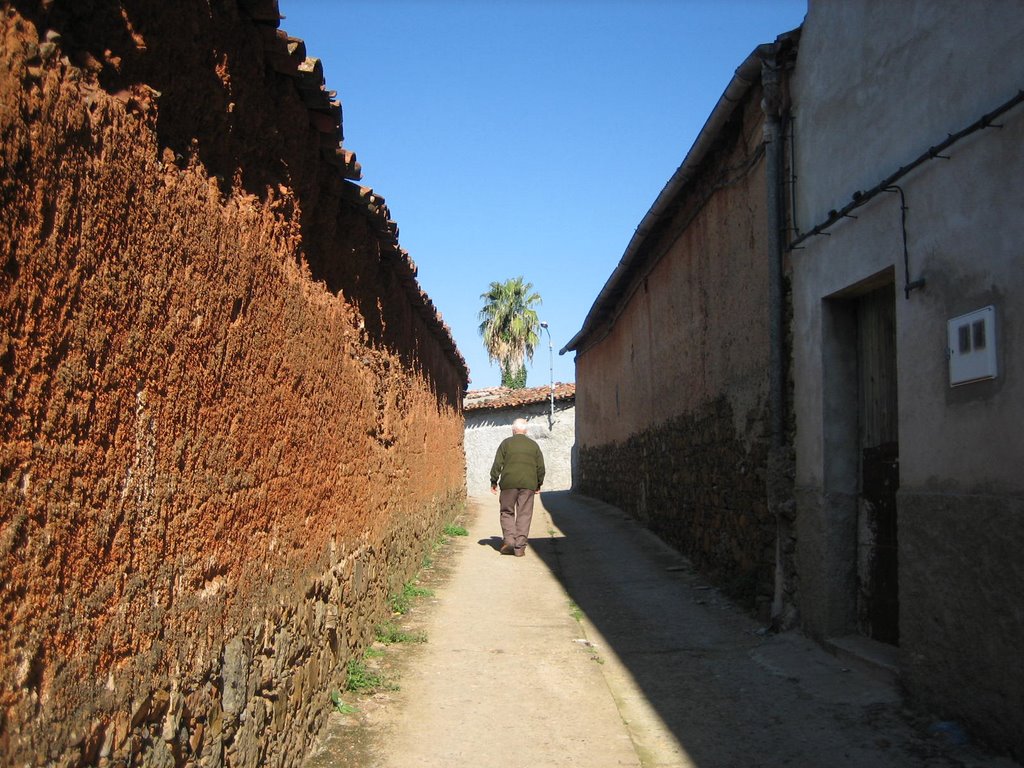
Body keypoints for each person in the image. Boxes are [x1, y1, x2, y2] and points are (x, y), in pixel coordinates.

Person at [490, 418, 545, 557]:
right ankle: (519, 548)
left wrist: (494, 481)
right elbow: (541, 467)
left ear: (513, 430)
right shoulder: (534, 445)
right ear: (525, 431)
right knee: (524, 514)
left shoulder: (506, 443)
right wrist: (539, 483)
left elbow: (497, 464)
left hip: (508, 483)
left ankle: (509, 541)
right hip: (528, 485)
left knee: (506, 511)